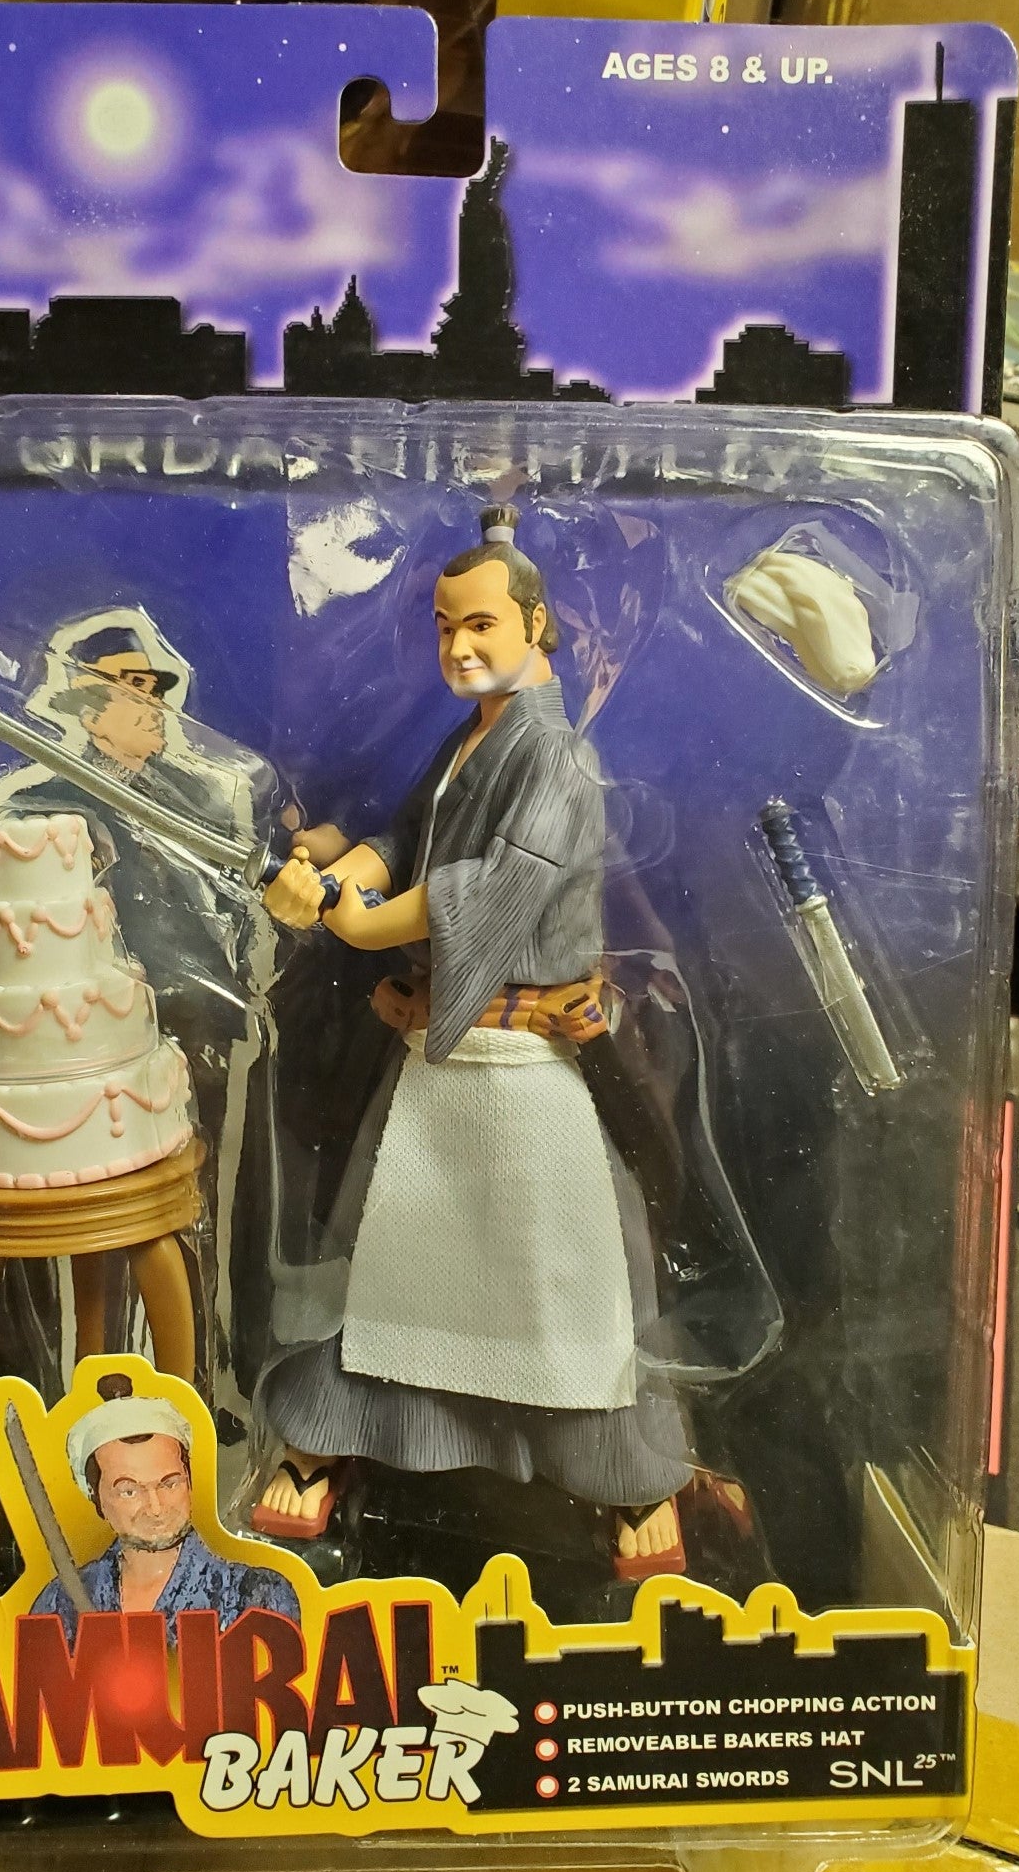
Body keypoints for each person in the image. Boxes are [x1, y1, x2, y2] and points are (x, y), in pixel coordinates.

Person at [251, 504, 692, 1577]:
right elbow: (410, 838)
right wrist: (340, 872)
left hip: (527, 1061)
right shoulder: (474, 738)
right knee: (403, 1268)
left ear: (537, 624)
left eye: (481, 624)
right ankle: (340, 1429)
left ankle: (629, 1472)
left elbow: (489, 891)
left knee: (557, 1281)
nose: (458, 646)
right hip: (445, 1064)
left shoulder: (557, 758)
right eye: (446, 626)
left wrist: (361, 923)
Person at [32, 1373, 299, 1647]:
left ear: (189, 1481)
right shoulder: (59, 1603)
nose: (156, 1507)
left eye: (169, 1484)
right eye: (129, 1491)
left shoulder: (256, 1596)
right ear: (96, 1497)